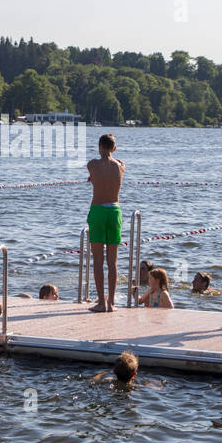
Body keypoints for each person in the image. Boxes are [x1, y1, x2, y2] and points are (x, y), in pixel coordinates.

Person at [85, 133, 125, 313]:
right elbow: (119, 165)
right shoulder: (121, 166)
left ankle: (101, 302)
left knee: (98, 260)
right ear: (114, 148)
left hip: (98, 211)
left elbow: (93, 172)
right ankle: (111, 303)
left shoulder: (92, 165)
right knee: (113, 261)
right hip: (115, 211)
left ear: (99, 147)